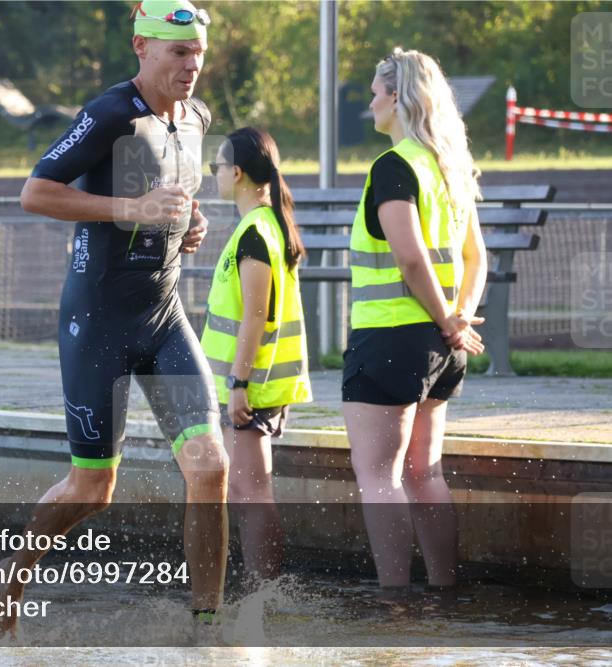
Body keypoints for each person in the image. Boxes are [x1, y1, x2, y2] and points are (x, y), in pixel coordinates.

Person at [0, 0, 228, 637]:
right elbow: (36, 192)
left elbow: (176, 200)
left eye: (198, 53)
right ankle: (9, 586)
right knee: (93, 490)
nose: (192, 66)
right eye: (179, 53)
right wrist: (134, 207)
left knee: (211, 467)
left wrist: (188, 223)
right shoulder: (109, 114)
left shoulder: (198, 117)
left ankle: (208, 624)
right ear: (141, 49)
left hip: (165, 316)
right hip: (98, 326)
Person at [342, 47, 488, 590]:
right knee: (425, 472)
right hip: (441, 348)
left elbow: (409, 256)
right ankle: (446, 590)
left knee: (379, 476)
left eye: (377, 93)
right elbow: (476, 257)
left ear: (397, 96)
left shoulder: (394, 164)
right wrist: (458, 321)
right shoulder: (449, 166)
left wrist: (451, 322)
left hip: (389, 340)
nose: (372, 104)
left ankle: (395, 604)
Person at [201, 128, 311, 582]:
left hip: (251, 385)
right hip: (254, 382)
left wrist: (238, 384)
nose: (215, 176)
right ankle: (260, 589)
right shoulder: (264, 223)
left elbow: (255, 315)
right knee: (249, 491)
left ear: (238, 172)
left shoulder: (255, 232)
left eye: (217, 167)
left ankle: (264, 592)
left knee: (250, 493)